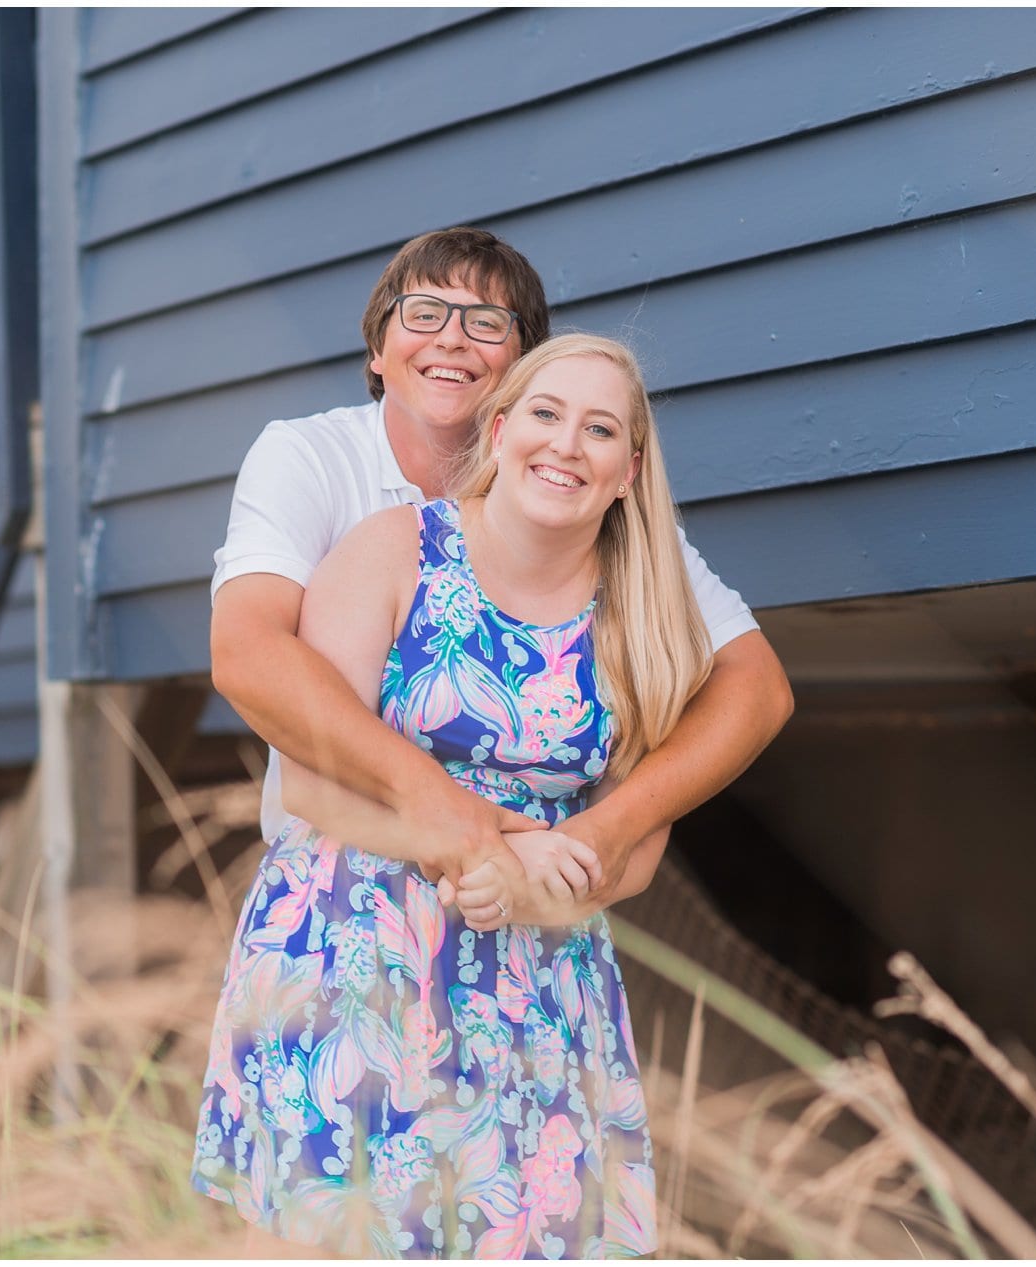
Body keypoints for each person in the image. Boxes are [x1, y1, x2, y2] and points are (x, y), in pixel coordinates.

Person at [191, 333, 716, 1256]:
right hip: (355, 955)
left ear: (630, 471)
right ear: (501, 427)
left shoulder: (644, 613)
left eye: (600, 430)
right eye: (546, 415)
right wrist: (493, 844)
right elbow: (314, 778)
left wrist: (543, 885)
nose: (566, 445)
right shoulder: (394, 549)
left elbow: (640, 844)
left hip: (543, 977)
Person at [208, 226, 791, 905]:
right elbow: (247, 651)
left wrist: (610, 829)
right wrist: (445, 810)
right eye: (424, 314)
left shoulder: (583, 507)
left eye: (486, 323)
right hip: (349, 893)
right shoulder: (310, 459)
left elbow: (756, 685)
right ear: (377, 347)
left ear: (524, 366)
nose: (452, 339)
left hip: (531, 909)